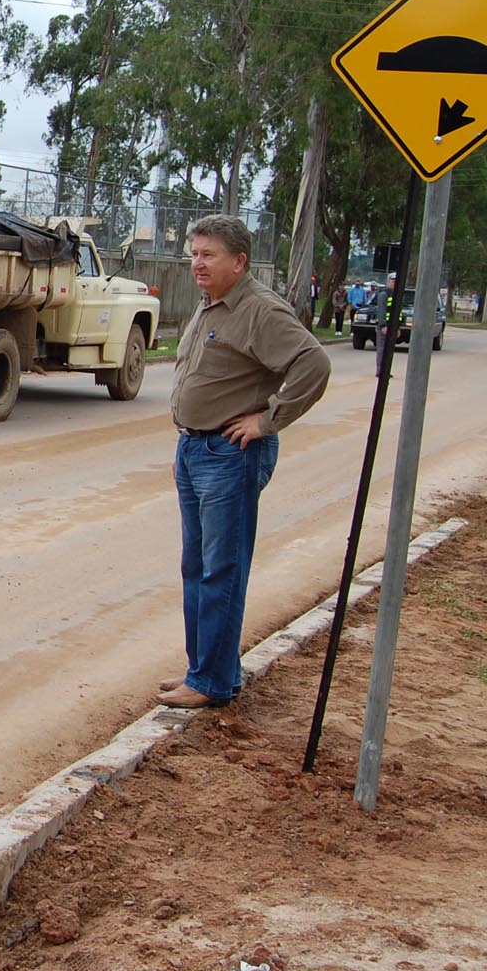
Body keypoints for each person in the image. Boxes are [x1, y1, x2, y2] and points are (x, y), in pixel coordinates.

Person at [160, 214, 331, 710]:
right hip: (197, 450)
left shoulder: (259, 309)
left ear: (239, 261)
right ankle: (207, 669)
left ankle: (211, 681)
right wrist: (187, 444)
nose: (197, 263)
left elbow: (313, 364)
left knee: (222, 571)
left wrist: (267, 421)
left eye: (208, 255)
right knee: (197, 567)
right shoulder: (210, 305)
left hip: (229, 456)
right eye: (194, 254)